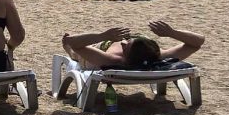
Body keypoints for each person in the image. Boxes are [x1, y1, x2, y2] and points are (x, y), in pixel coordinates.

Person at [62, 20, 205, 71]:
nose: (123, 42)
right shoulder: (161, 55)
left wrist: (103, 36)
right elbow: (198, 42)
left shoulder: (110, 59)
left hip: (101, 48)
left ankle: (71, 55)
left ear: (126, 57)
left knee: (78, 55)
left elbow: (73, 42)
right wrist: (172, 33)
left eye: (125, 46)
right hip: (108, 45)